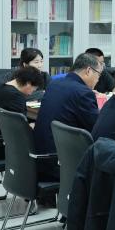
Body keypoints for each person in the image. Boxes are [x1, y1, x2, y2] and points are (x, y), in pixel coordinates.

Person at [33, 53, 102, 181]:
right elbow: (96, 129)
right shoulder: (83, 92)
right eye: (98, 75)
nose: (98, 80)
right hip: (60, 163)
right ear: (88, 71)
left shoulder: (55, 84)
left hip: (40, 158)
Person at [0, 65, 44, 160]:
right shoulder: (16, 97)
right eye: (33, 89)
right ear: (28, 83)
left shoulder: (0, 89)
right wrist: (31, 126)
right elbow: (22, 132)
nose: (31, 93)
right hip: (8, 149)